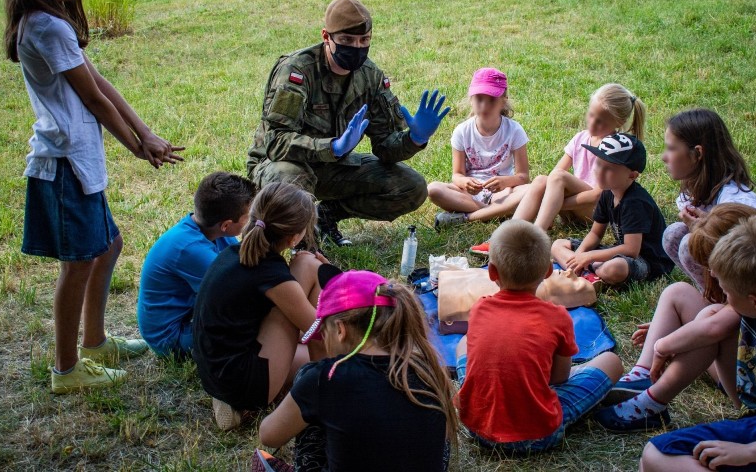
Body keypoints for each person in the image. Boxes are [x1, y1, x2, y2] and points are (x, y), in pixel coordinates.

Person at [5, 0, 183, 394]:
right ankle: (66, 370)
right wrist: (138, 146)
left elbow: (100, 82)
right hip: (63, 164)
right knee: (78, 264)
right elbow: (93, 100)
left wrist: (145, 131)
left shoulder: (52, 23)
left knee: (108, 246)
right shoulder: (46, 25)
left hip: (75, 161)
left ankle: (97, 342)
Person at [247, 0, 450, 246]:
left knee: (412, 186)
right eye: (346, 41)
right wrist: (332, 147)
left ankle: (325, 216)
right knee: (291, 182)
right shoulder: (297, 71)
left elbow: (386, 147)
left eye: (364, 41)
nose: (356, 48)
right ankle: (305, 244)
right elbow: (275, 143)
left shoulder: (370, 76)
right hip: (280, 165)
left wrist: (415, 138)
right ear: (326, 37)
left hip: (333, 165)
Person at [595, 203, 756, 432]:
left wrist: (665, 344)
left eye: (714, 269)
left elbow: (713, 328)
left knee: (709, 324)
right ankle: (643, 375)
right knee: (678, 292)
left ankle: (652, 404)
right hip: (748, 365)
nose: (712, 275)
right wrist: (678, 332)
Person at [640, 216, 756, 471]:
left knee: (656, 456)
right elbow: (711, 325)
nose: (723, 297)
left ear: (755, 302)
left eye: (727, 291)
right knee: (653, 460)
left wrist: (747, 452)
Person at [256, 271, 457, 472]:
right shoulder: (428, 371)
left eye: (324, 334)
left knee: (312, 387)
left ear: (340, 331)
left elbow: (269, 435)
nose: (324, 342)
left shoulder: (325, 378)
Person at [455, 219, 623, 454]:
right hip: (538, 434)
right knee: (611, 362)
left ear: (492, 272)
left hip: (478, 427)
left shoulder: (479, 308)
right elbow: (559, 378)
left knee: (464, 343)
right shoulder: (558, 316)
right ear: (547, 271)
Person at [191, 182, 338, 431]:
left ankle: (316, 374)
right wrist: (335, 286)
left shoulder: (234, 254)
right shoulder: (273, 276)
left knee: (305, 347)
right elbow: (322, 330)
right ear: (294, 237)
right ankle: (324, 390)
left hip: (218, 370)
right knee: (311, 286)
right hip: (241, 381)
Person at [470, 83, 646, 255]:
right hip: (571, 210)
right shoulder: (581, 138)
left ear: (619, 122)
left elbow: (598, 195)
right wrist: (549, 201)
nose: (592, 123)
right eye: (591, 115)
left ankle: (535, 236)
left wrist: (553, 205)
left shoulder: (614, 150)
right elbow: (553, 176)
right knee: (541, 180)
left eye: (601, 122)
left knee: (560, 178)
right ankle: (503, 238)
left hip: (593, 213)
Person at [137, 172, 256, 359]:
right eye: (248, 216)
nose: (251, 220)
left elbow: (245, 268)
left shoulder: (213, 232)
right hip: (172, 337)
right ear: (226, 225)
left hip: (191, 317)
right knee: (254, 325)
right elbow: (240, 295)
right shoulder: (190, 249)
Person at [662, 108, 756, 293]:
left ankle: (735, 307)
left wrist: (703, 229)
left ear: (698, 154)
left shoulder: (736, 202)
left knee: (689, 245)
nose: (664, 157)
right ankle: (714, 298)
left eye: (672, 148)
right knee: (673, 234)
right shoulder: (695, 190)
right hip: (731, 273)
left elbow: (755, 256)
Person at [551, 133, 673, 286]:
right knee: (558, 245)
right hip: (619, 252)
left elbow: (632, 250)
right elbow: (595, 233)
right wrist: (579, 256)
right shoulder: (607, 193)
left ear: (632, 175)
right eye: (599, 164)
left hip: (646, 262)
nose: (600, 172)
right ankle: (589, 273)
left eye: (610, 169)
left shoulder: (635, 202)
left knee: (615, 268)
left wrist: (589, 257)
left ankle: (591, 273)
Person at [428, 68, 530, 229]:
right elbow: (457, 175)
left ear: (504, 100)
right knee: (433, 189)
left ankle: (469, 216)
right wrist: (465, 182)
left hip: (502, 194)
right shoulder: (462, 131)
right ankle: (496, 213)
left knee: (531, 190)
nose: (484, 105)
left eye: (491, 100)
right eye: (479, 99)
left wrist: (505, 181)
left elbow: (523, 177)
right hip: (470, 195)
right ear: (471, 99)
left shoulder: (515, 130)